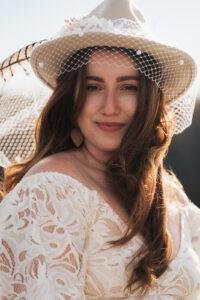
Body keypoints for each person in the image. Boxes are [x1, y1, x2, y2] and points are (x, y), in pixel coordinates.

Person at [0, 0, 200, 298]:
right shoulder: (51, 188)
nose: (110, 107)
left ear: (148, 98)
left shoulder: (172, 196)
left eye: (127, 87)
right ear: (72, 98)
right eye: (93, 86)